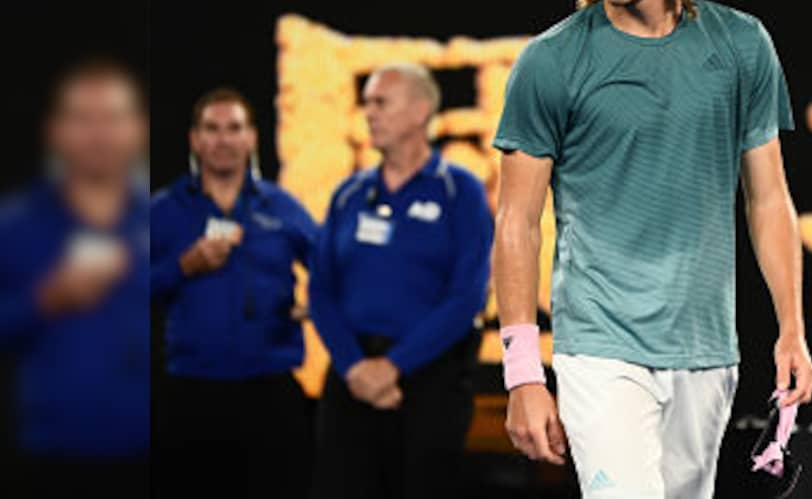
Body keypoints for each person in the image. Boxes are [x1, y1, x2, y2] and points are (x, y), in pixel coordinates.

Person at [491, 0, 812, 499]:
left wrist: (792, 329)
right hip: (599, 347)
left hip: (706, 349)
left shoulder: (742, 46)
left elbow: (768, 199)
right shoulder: (550, 62)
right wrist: (523, 374)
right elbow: (517, 223)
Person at [309, 63, 493, 499]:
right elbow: (320, 288)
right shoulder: (349, 193)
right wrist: (355, 366)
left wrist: (394, 367)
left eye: (380, 102)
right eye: (366, 103)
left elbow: (467, 295)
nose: (368, 114)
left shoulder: (460, 191)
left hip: (431, 380)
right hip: (350, 377)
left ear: (420, 110)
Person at [150, 88, 317, 498]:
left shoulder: (281, 207)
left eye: (234, 128)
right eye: (212, 129)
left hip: (271, 395)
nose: (223, 140)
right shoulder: (164, 209)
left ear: (251, 138)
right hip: (191, 395)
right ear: (194, 139)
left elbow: (332, 267)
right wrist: (183, 266)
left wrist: (320, 305)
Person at [0, 59, 149, 498]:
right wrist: (46, 298)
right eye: (82, 119)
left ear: (138, 128)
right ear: (54, 130)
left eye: (113, 118)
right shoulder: (15, 224)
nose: (99, 134)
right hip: (45, 459)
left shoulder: (165, 219)